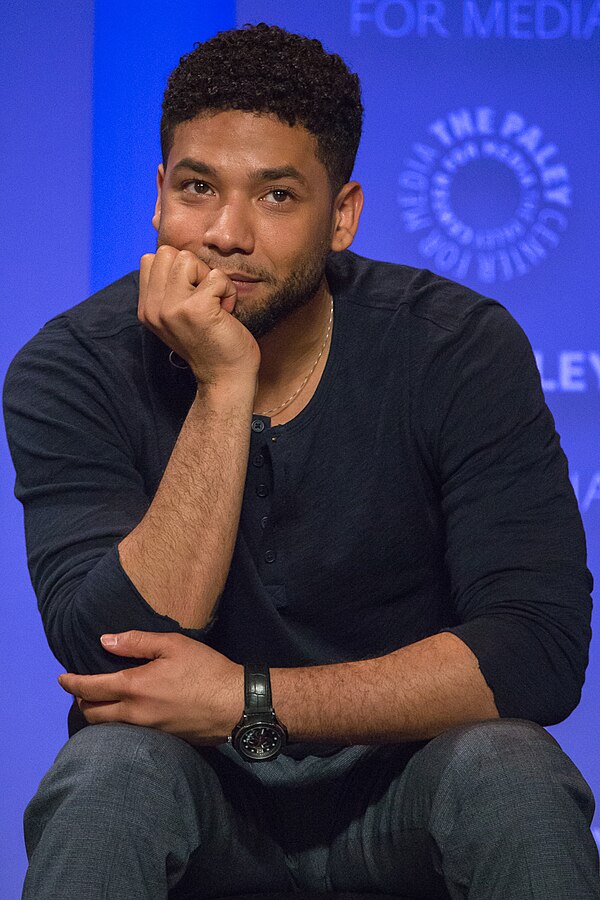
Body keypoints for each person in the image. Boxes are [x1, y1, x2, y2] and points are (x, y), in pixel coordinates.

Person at [3, 22, 599, 900]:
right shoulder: (70, 366)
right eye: (197, 187)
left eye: (277, 196)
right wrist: (223, 385)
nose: (226, 234)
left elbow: (536, 653)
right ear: (158, 196)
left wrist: (251, 700)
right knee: (108, 774)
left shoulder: (454, 346)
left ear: (344, 215)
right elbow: (115, 656)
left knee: (510, 766)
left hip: (412, 786)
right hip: (193, 798)